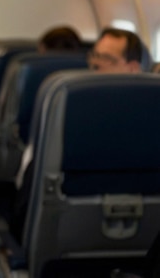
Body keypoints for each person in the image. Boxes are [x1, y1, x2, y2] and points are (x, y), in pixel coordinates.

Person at [11, 26, 145, 240]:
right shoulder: (66, 108)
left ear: (133, 68)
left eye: (107, 58)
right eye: (94, 54)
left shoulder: (71, 111)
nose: (94, 63)